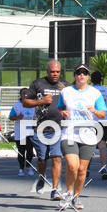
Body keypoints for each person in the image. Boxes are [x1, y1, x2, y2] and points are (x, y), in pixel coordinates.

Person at [57, 65, 106, 210]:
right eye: (79, 73)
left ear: (88, 77)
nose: (82, 75)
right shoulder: (66, 92)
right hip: (69, 133)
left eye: (85, 73)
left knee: (82, 170)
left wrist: (95, 110)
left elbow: (103, 113)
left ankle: (76, 197)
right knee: (72, 166)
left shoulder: (95, 93)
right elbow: (60, 107)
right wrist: (63, 112)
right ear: (75, 76)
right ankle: (67, 193)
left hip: (88, 135)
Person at [23, 60, 67, 200]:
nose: (55, 74)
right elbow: (26, 102)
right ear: (47, 71)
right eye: (52, 72)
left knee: (56, 158)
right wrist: (41, 101)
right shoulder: (38, 84)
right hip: (40, 128)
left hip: (58, 128)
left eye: (57, 72)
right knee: (42, 159)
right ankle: (42, 177)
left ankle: (55, 189)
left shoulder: (65, 86)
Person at [90, 70, 107, 180]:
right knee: (102, 146)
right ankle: (104, 167)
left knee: (89, 146)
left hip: (91, 121)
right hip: (103, 121)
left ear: (91, 80)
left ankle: (86, 168)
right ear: (101, 79)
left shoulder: (88, 91)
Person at [9, 88, 36, 177]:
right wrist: (18, 117)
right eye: (24, 93)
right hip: (20, 131)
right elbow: (11, 117)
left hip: (30, 131)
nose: (25, 95)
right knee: (21, 151)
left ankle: (28, 167)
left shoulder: (33, 104)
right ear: (20, 95)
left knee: (29, 151)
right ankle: (21, 168)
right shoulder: (17, 105)